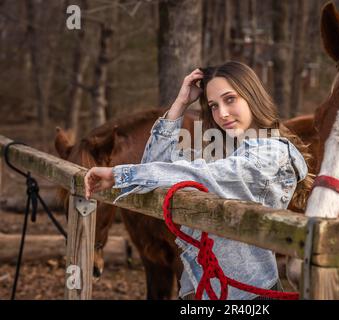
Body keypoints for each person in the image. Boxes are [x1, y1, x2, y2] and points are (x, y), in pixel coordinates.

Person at [84, 61, 312, 300]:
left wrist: (120, 175)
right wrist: (180, 103)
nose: (222, 113)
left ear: (252, 96)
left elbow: (200, 174)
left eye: (230, 99)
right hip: (202, 289)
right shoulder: (231, 151)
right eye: (213, 105)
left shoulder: (272, 154)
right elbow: (153, 164)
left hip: (245, 294)